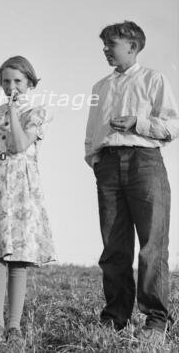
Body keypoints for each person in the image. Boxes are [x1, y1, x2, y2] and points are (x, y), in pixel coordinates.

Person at [84, 21, 179, 345]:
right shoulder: (100, 87)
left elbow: (173, 125)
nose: (106, 49)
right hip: (108, 166)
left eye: (112, 43)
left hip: (145, 163)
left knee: (152, 245)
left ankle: (155, 321)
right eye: (105, 44)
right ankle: (115, 318)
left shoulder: (154, 79)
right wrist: (95, 160)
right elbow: (92, 130)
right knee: (114, 247)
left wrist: (137, 122)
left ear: (133, 46)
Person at [0, 55, 56, 346]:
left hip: (21, 187)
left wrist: (15, 111)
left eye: (17, 80)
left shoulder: (36, 112)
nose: (11, 86)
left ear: (29, 82)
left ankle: (14, 326)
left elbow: (18, 145)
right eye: (6, 81)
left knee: (19, 259)